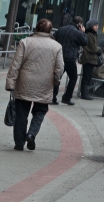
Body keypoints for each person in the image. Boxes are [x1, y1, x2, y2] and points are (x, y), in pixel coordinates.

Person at [6, 19, 64, 150]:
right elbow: (59, 68)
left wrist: (10, 83)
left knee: (21, 113)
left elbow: (15, 64)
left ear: (36, 28)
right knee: (40, 111)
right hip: (45, 84)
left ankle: (19, 144)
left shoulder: (25, 42)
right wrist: (55, 81)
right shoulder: (57, 46)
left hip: (24, 82)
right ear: (50, 31)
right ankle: (31, 134)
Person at [52, 16, 87, 105]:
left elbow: (53, 38)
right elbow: (85, 42)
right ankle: (66, 97)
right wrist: (83, 32)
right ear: (79, 24)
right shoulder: (77, 32)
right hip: (70, 58)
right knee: (73, 78)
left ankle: (52, 97)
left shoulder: (61, 29)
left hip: (59, 56)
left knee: (57, 77)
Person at [79, 19, 101, 100]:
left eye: (97, 25)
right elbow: (92, 46)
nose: (97, 27)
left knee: (88, 77)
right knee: (86, 76)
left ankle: (85, 93)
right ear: (91, 26)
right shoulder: (89, 34)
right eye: (95, 25)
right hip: (88, 58)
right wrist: (98, 50)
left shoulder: (93, 34)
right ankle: (84, 93)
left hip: (92, 58)